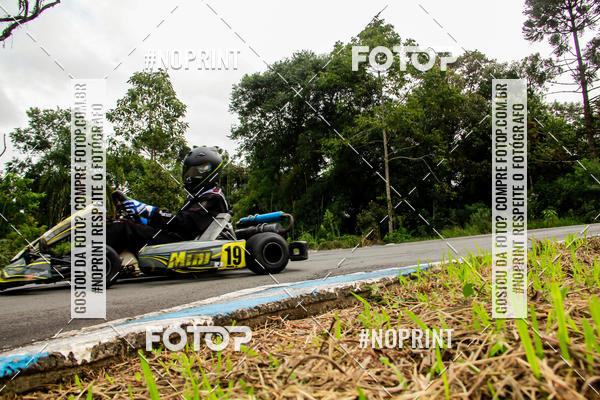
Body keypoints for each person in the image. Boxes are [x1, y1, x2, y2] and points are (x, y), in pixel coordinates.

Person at [107, 146, 229, 255]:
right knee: (126, 223)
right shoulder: (198, 195)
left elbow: (183, 224)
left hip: (181, 246)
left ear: (208, 173)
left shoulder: (213, 197)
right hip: (176, 239)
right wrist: (145, 220)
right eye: (188, 173)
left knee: (123, 227)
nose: (189, 178)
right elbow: (175, 222)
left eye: (194, 173)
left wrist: (149, 211)